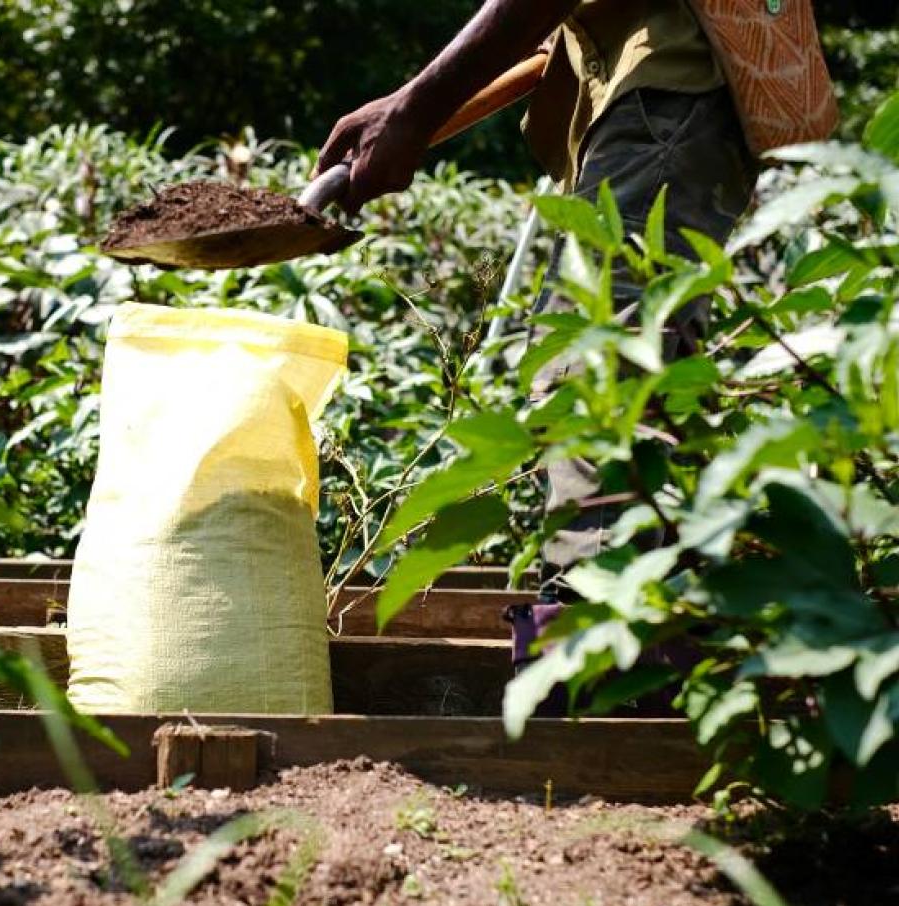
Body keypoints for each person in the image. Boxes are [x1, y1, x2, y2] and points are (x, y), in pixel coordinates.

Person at [316, 0, 837, 692]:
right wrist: (413, 108)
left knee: (593, 362)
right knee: (647, 366)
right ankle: (655, 644)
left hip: (669, 97)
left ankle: (590, 641)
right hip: (669, 103)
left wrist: (413, 106)